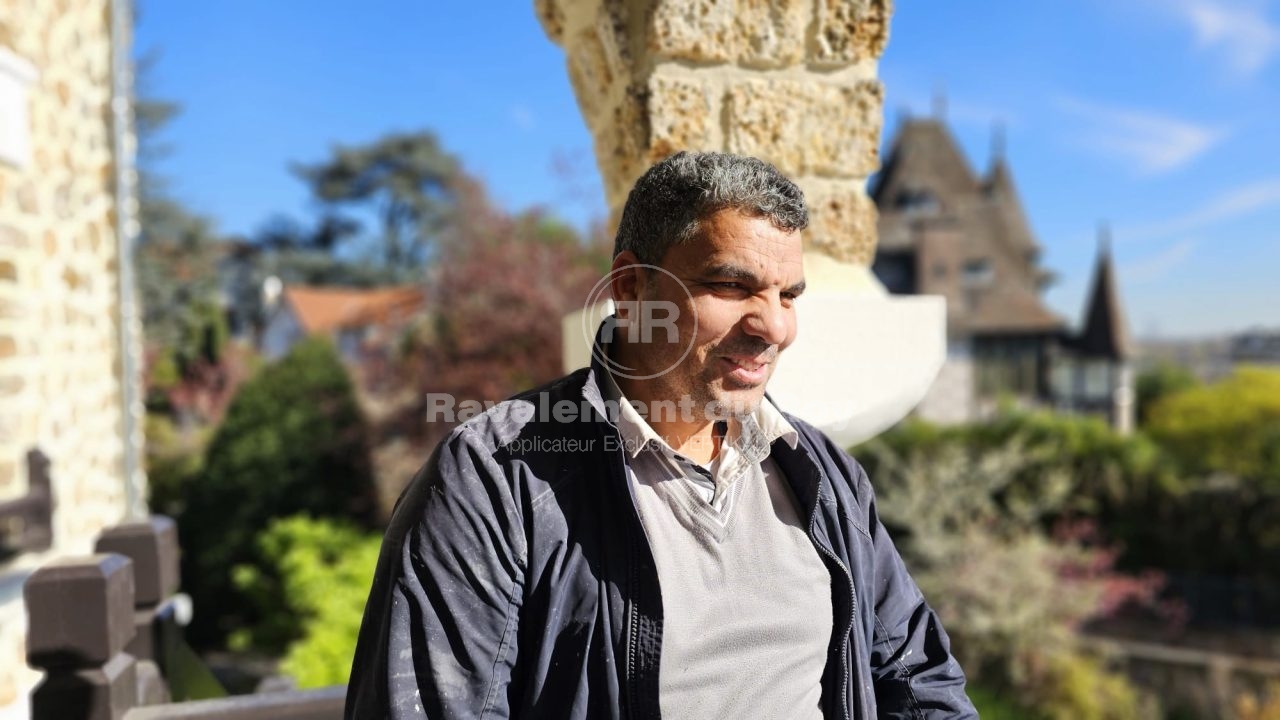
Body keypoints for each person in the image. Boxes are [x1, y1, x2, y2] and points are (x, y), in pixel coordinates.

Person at [346, 151, 977, 719]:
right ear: (629, 289)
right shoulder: (496, 478)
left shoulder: (822, 474)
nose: (773, 327)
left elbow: (921, 683)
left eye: (788, 295)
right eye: (731, 286)